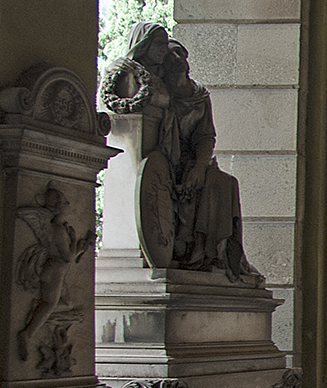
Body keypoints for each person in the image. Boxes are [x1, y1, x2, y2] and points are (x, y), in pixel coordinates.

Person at [110, 23, 262, 283]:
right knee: (213, 186)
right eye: (169, 53)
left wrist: (198, 166)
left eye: (181, 53)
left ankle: (218, 257)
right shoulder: (150, 85)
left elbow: (205, 136)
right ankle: (195, 254)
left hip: (190, 161)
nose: (177, 58)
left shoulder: (199, 94)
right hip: (167, 161)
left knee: (225, 183)